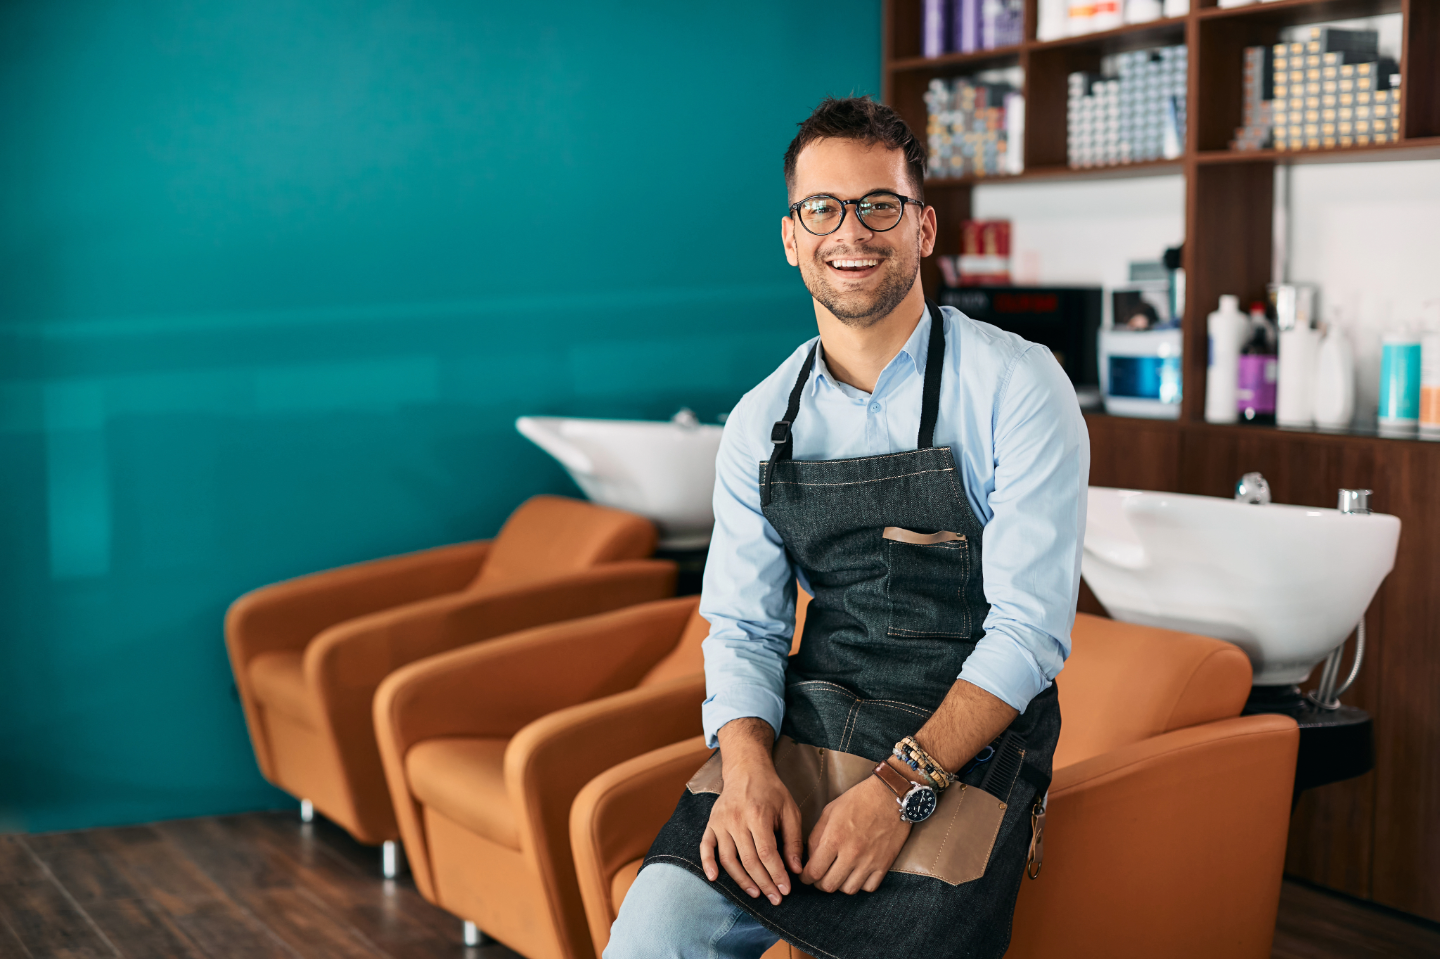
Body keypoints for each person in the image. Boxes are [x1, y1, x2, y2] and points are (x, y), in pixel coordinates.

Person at [606, 96, 1088, 959]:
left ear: (924, 227)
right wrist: (745, 769)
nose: (851, 232)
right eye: (822, 208)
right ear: (791, 237)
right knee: (655, 932)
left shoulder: (1017, 386)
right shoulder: (761, 421)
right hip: (812, 721)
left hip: (969, 745)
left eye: (879, 205)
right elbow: (745, 628)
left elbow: (1029, 631)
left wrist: (901, 787)